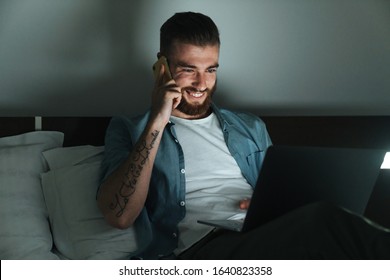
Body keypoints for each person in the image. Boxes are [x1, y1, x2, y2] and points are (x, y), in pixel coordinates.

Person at [97, 11, 390, 260]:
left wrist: (269, 206)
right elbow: (119, 215)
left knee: (332, 229)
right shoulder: (130, 128)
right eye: (189, 69)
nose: (202, 83)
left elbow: (279, 196)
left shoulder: (249, 127)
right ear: (162, 66)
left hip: (269, 235)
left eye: (211, 70)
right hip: (202, 250)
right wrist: (159, 116)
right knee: (326, 221)